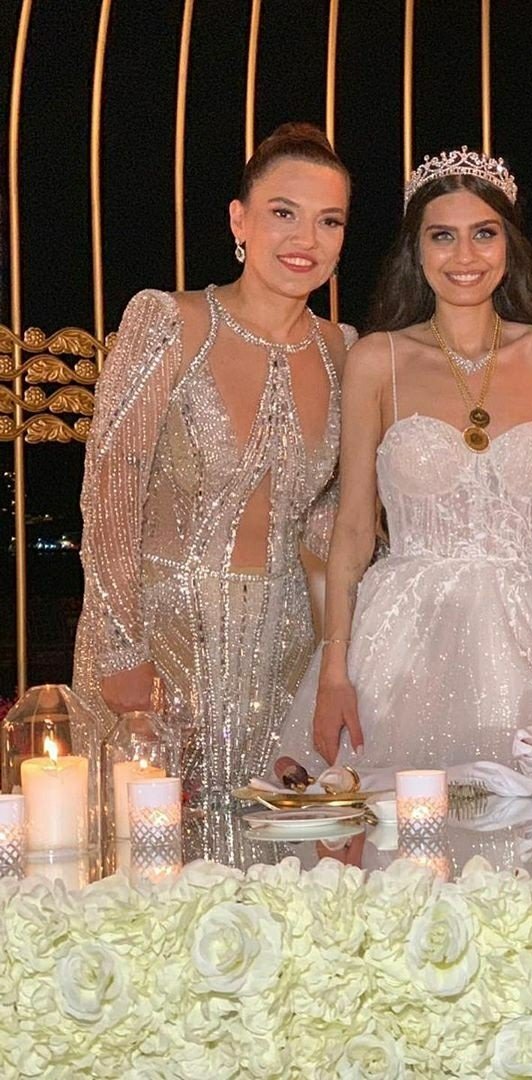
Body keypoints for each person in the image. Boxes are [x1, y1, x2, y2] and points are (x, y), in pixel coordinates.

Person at [283, 147, 532, 782]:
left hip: (529, 635)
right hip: (399, 638)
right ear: (416, 251)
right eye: (442, 236)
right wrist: (334, 669)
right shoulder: (378, 360)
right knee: (388, 821)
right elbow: (353, 528)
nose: (465, 256)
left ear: (509, 246)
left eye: (484, 234)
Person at [73, 123, 355, 804]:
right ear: (239, 220)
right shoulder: (168, 322)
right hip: (160, 645)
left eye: (329, 221)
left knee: (279, 854)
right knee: (146, 853)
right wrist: (121, 649)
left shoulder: (344, 350)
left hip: (286, 661)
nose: (306, 239)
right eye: (283, 213)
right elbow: (109, 495)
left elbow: (332, 530)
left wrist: (334, 664)